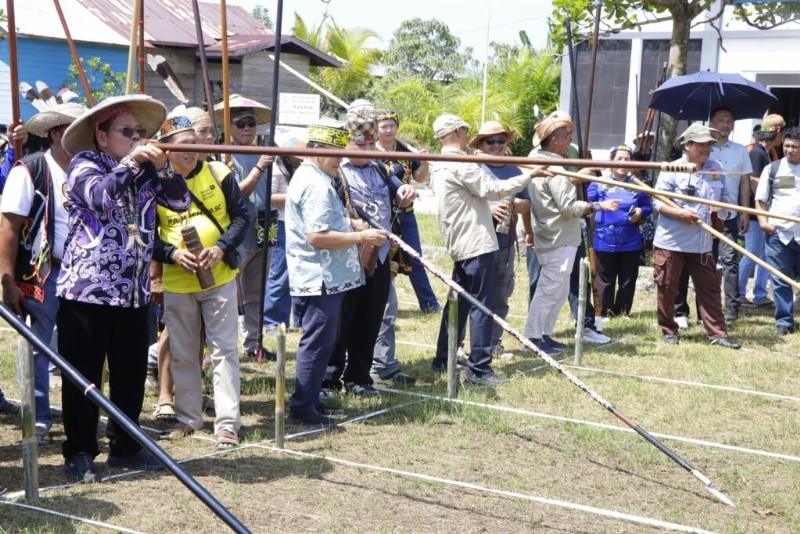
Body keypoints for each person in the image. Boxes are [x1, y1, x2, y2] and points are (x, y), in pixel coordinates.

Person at [57, 94, 190, 483]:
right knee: (82, 376)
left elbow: (180, 202)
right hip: (87, 292)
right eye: (126, 132)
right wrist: (134, 162)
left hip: (134, 292)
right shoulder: (85, 164)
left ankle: (126, 446)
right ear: (101, 136)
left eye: (140, 132)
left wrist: (163, 167)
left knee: (130, 374)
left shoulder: (147, 170)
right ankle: (80, 450)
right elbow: (98, 197)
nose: (136, 138)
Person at [153, 115, 250, 448]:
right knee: (182, 353)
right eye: (182, 146)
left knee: (224, 352)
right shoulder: (153, 182)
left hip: (219, 278)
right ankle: (188, 417)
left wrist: (221, 248)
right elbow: (145, 233)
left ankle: (227, 424)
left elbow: (243, 216)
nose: (190, 151)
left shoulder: (219, 173)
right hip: (178, 282)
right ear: (166, 150)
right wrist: (170, 254)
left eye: (194, 144)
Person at [285, 119, 387, 425]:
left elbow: (322, 224)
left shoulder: (312, 175)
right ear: (316, 150)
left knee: (321, 343)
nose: (341, 160)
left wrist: (350, 226)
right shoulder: (316, 183)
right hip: (320, 279)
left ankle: (311, 401)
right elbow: (317, 236)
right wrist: (361, 237)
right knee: (317, 345)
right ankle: (303, 407)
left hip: (322, 277)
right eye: (335, 153)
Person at [0, 102, 86, 446]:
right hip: (42, 271)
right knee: (39, 345)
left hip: (86, 273)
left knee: (82, 344)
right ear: (55, 133)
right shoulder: (30, 169)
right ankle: (39, 416)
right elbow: (9, 226)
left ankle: (79, 412)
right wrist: (7, 279)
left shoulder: (94, 169)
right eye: (72, 129)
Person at [429, 114, 536, 386]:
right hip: (476, 243)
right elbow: (492, 189)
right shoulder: (459, 162)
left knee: (460, 301)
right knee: (480, 306)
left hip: (462, 242)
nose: (467, 135)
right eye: (464, 130)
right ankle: (479, 370)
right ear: (455, 132)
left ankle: (444, 357)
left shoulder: (439, 164)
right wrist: (531, 174)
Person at [324, 106, 416, 396]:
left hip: (379, 256)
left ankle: (359, 378)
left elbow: (398, 189)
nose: (365, 146)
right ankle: (328, 379)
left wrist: (404, 192)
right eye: (359, 141)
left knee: (371, 318)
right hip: (347, 257)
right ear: (347, 142)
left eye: (370, 141)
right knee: (342, 320)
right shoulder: (335, 171)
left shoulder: (381, 167)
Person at [523, 111, 619, 356]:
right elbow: (568, 207)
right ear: (554, 140)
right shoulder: (554, 167)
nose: (570, 142)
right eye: (566, 136)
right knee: (549, 290)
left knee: (559, 290)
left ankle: (544, 334)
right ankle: (534, 337)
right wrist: (597, 205)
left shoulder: (537, 158)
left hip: (554, 235)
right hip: (558, 237)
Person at [651, 123, 740, 349]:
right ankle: (668, 329)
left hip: (702, 242)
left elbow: (727, 200)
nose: (707, 148)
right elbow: (657, 202)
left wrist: (721, 210)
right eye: (701, 144)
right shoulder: (671, 168)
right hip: (671, 240)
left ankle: (717, 334)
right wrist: (679, 213)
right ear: (687, 145)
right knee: (667, 287)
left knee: (710, 288)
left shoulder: (716, 168)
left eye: (709, 144)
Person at [214, 94, 275, 361]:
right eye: (241, 124)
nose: (248, 128)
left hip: (264, 226)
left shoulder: (264, 151)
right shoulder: (223, 156)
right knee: (230, 290)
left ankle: (254, 343)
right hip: (238, 232)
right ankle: (224, 345)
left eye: (251, 123)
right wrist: (260, 167)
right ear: (229, 127)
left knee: (257, 291)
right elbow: (238, 194)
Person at [468, 121, 531, 359]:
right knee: (473, 294)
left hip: (505, 241)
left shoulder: (515, 170)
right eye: (490, 141)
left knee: (501, 294)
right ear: (481, 144)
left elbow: (527, 204)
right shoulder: (473, 167)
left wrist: (514, 205)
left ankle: (494, 342)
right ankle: (467, 345)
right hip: (476, 240)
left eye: (501, 141)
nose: (496, 146)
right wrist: (489, 209)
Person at [375, 109, 440, 313]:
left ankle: (429, 305)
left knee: (415, 257)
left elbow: (419, 178)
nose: (388, 130)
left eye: (392, 125)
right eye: (383, 126)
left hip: (406, 211)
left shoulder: (405, 149)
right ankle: (379, 305)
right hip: (380, 213)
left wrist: (425, 160)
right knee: (379, 259)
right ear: (376, 129)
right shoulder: (370, 153)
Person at [586, 145, 652, 318]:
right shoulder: (599, 183)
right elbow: (587, 206)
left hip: (630, 239)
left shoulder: (637, 184)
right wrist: (602, 205)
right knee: (604, 279)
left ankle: (622, 312)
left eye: (627, 159)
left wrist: (640, 212)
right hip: (604, 238)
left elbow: (647, 206)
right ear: (611, 162)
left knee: (628, 279)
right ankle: (604, 313)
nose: (623, 162)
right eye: (619, 159)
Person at [755, 126, 800, 335]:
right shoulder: (772, 169)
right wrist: (764, 223)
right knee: (780, 280)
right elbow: (760, 200)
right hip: (778, 234)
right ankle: (784, 322)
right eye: (787, 145)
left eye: (795, 147)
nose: (790, 150)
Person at [263, 127, 306, 334]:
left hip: (299, 225)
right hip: (281, 224)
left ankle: (298, 320)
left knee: (300, 272)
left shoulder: (303, 168)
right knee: (280, 274)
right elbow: (269, 198)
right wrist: (297, 199)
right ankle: (272, 322)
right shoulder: (278, 169)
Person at [740, 114, 784, 309]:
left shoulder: (767, 152)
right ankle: (739, 293)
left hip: (762, 214)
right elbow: (754, 182)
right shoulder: (757, 153)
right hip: (755, 214)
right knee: (751, 254)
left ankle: (760, 294)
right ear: (778, 132)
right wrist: (768, 205)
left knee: (764, 256)